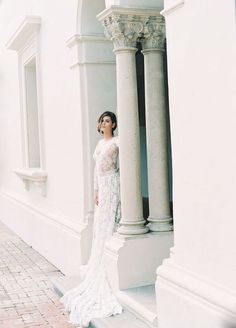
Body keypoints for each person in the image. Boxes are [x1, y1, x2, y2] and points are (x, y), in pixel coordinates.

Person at [61, 111, 123, 327]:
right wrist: (96, 191)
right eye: (102, 120)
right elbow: (96, 170)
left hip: (113, 183)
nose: (103, 123)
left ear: (113, 124)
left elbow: (124, 165)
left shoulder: (117, 142)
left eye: (107, 120)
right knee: (99, 224)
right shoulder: (99, 143)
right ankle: (99, 256)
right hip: (102, 185)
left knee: (109, 221)